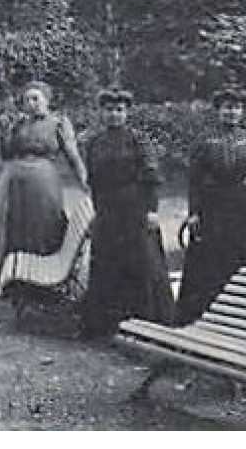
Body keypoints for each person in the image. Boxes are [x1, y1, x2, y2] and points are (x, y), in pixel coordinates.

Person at [0, 80, 94, 305]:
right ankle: (15, 283)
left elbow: (72, 154)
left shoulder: (58, 123)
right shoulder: (19, 124)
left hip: (43, 182)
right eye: (27, 100)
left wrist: (85, 181)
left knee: (44, 225)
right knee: (13, 226)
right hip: (13, 181)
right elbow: (6, 154)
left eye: (36, 99)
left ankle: (44, 285)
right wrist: (6, 131)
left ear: (47, 101)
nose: (31, 104)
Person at [175, 83, 246, 325]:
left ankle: (244, 315)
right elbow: (194, 181)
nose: (231, 112)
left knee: (243, 260)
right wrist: (194, 212)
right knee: (209, 263)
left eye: (237, 108)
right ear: (218, 110)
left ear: (243, 112)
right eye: (227, 107)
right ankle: (205, 315)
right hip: (212, 207)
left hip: (241, 206)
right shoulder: (204, 141)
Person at [79, 87, 174, 338]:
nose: (114, 115)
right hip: (108, 210)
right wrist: (96, 212)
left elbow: (152, 177)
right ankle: (106, 324)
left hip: (134, 208)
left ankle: (144, 322)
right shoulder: (94, 143)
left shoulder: (138, 140)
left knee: (139, 262)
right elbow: (94, 181)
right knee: (107, 263)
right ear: (102, 112)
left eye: (119, 110)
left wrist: (151, 210)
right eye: (109, 110)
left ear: (127, 113)